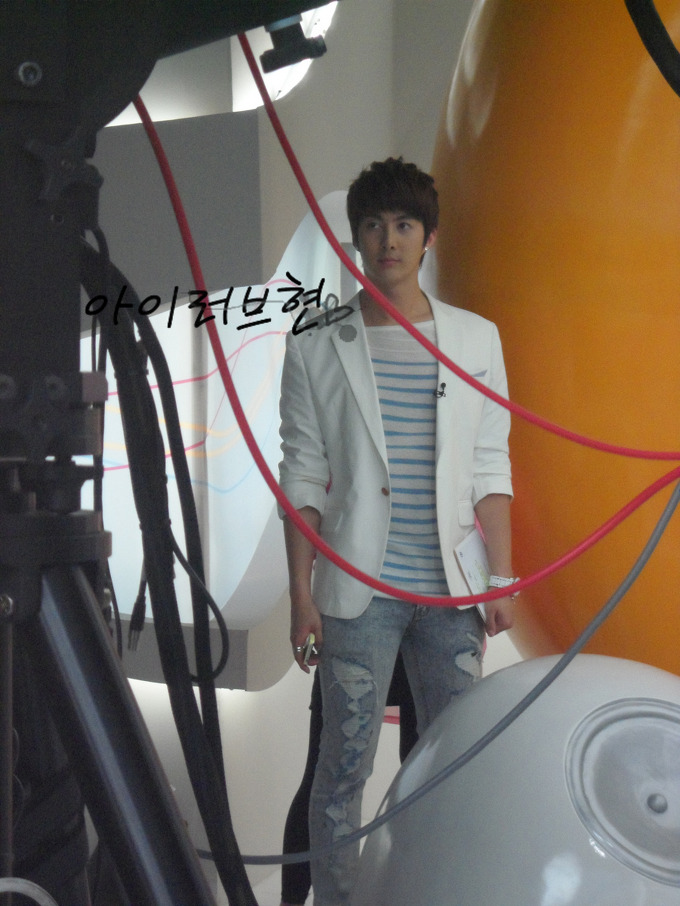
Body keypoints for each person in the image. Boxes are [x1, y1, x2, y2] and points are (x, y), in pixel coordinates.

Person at [278, 157, 515, 905]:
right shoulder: (315, 342)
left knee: (450, 762)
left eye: (405, 224)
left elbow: (491, 465)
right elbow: (302, 476)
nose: (389, 239)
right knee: (342, 766)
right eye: (375, 224)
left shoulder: (476, 340)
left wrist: (502, 578)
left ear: (428, 237)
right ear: (356, 236)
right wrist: (300, 595)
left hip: (451, 594)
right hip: (357, 591)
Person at [279, 654, 417, 906]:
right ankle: (292, 900)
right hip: (356, 641)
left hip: (425, 637)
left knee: (425, 784)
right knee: (327, 780)